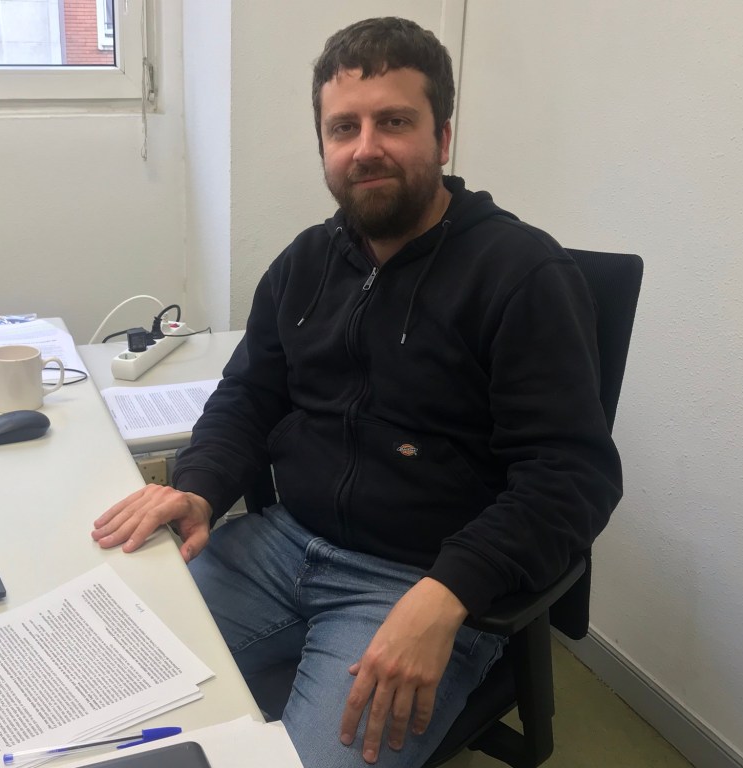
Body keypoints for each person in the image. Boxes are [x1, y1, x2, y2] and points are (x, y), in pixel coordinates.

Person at [93, 16, 621, 768]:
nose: (365, 147)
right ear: (324, 147)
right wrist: (201, 487)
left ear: (442, 137)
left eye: (394, 122)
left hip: (416, 581)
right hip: (278, 547)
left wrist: (449, 592)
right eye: (344, 127)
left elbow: (572, 475)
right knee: (93, 677)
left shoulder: (522, 275)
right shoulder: (304, 263)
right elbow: (249, 396)